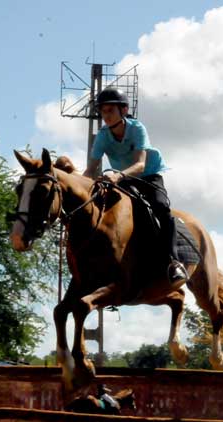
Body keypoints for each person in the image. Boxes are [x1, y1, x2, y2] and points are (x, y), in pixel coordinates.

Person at [83, 87, 188, 288]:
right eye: (103, 111)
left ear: (123, 111)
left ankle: (175, 262)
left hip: (148, 176)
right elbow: (90, 170)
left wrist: (118, 175)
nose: (105, 116)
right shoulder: (102, 136)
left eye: (110, 111)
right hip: (121, 180)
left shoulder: (137, 128)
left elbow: (140, 165)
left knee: (160, 207)